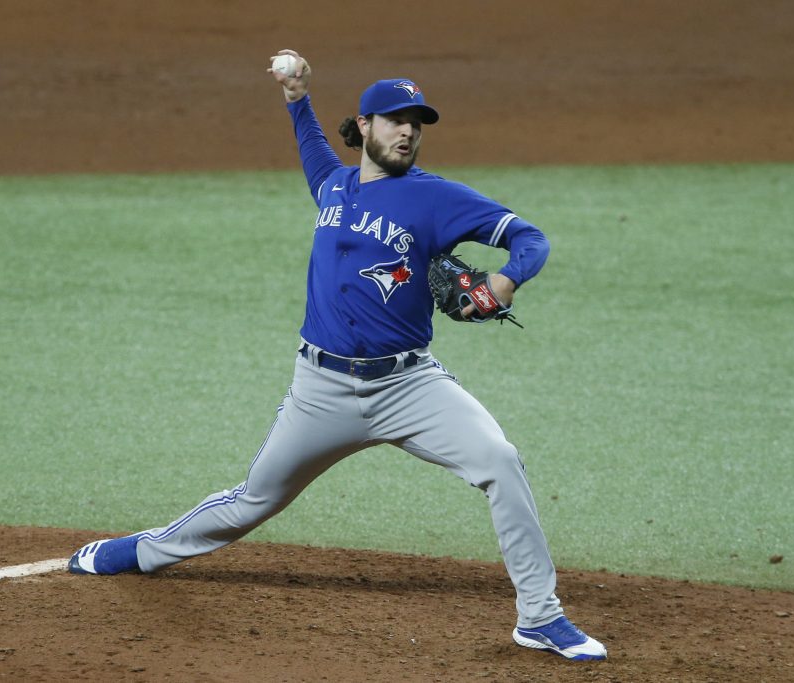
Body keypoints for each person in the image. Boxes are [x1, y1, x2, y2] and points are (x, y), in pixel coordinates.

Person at [68, 49, 607, 661]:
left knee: (500, 461)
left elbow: (530, 238)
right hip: (319, 390)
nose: (408, 131)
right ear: (367, 126)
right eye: (396, 119)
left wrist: (507, 280)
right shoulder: (334, 184)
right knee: (254, 499)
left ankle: (540, 617)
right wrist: (296, 98)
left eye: (418, 122)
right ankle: (141, 551)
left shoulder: (437, 198)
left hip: (410, 387)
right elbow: (312, 150)